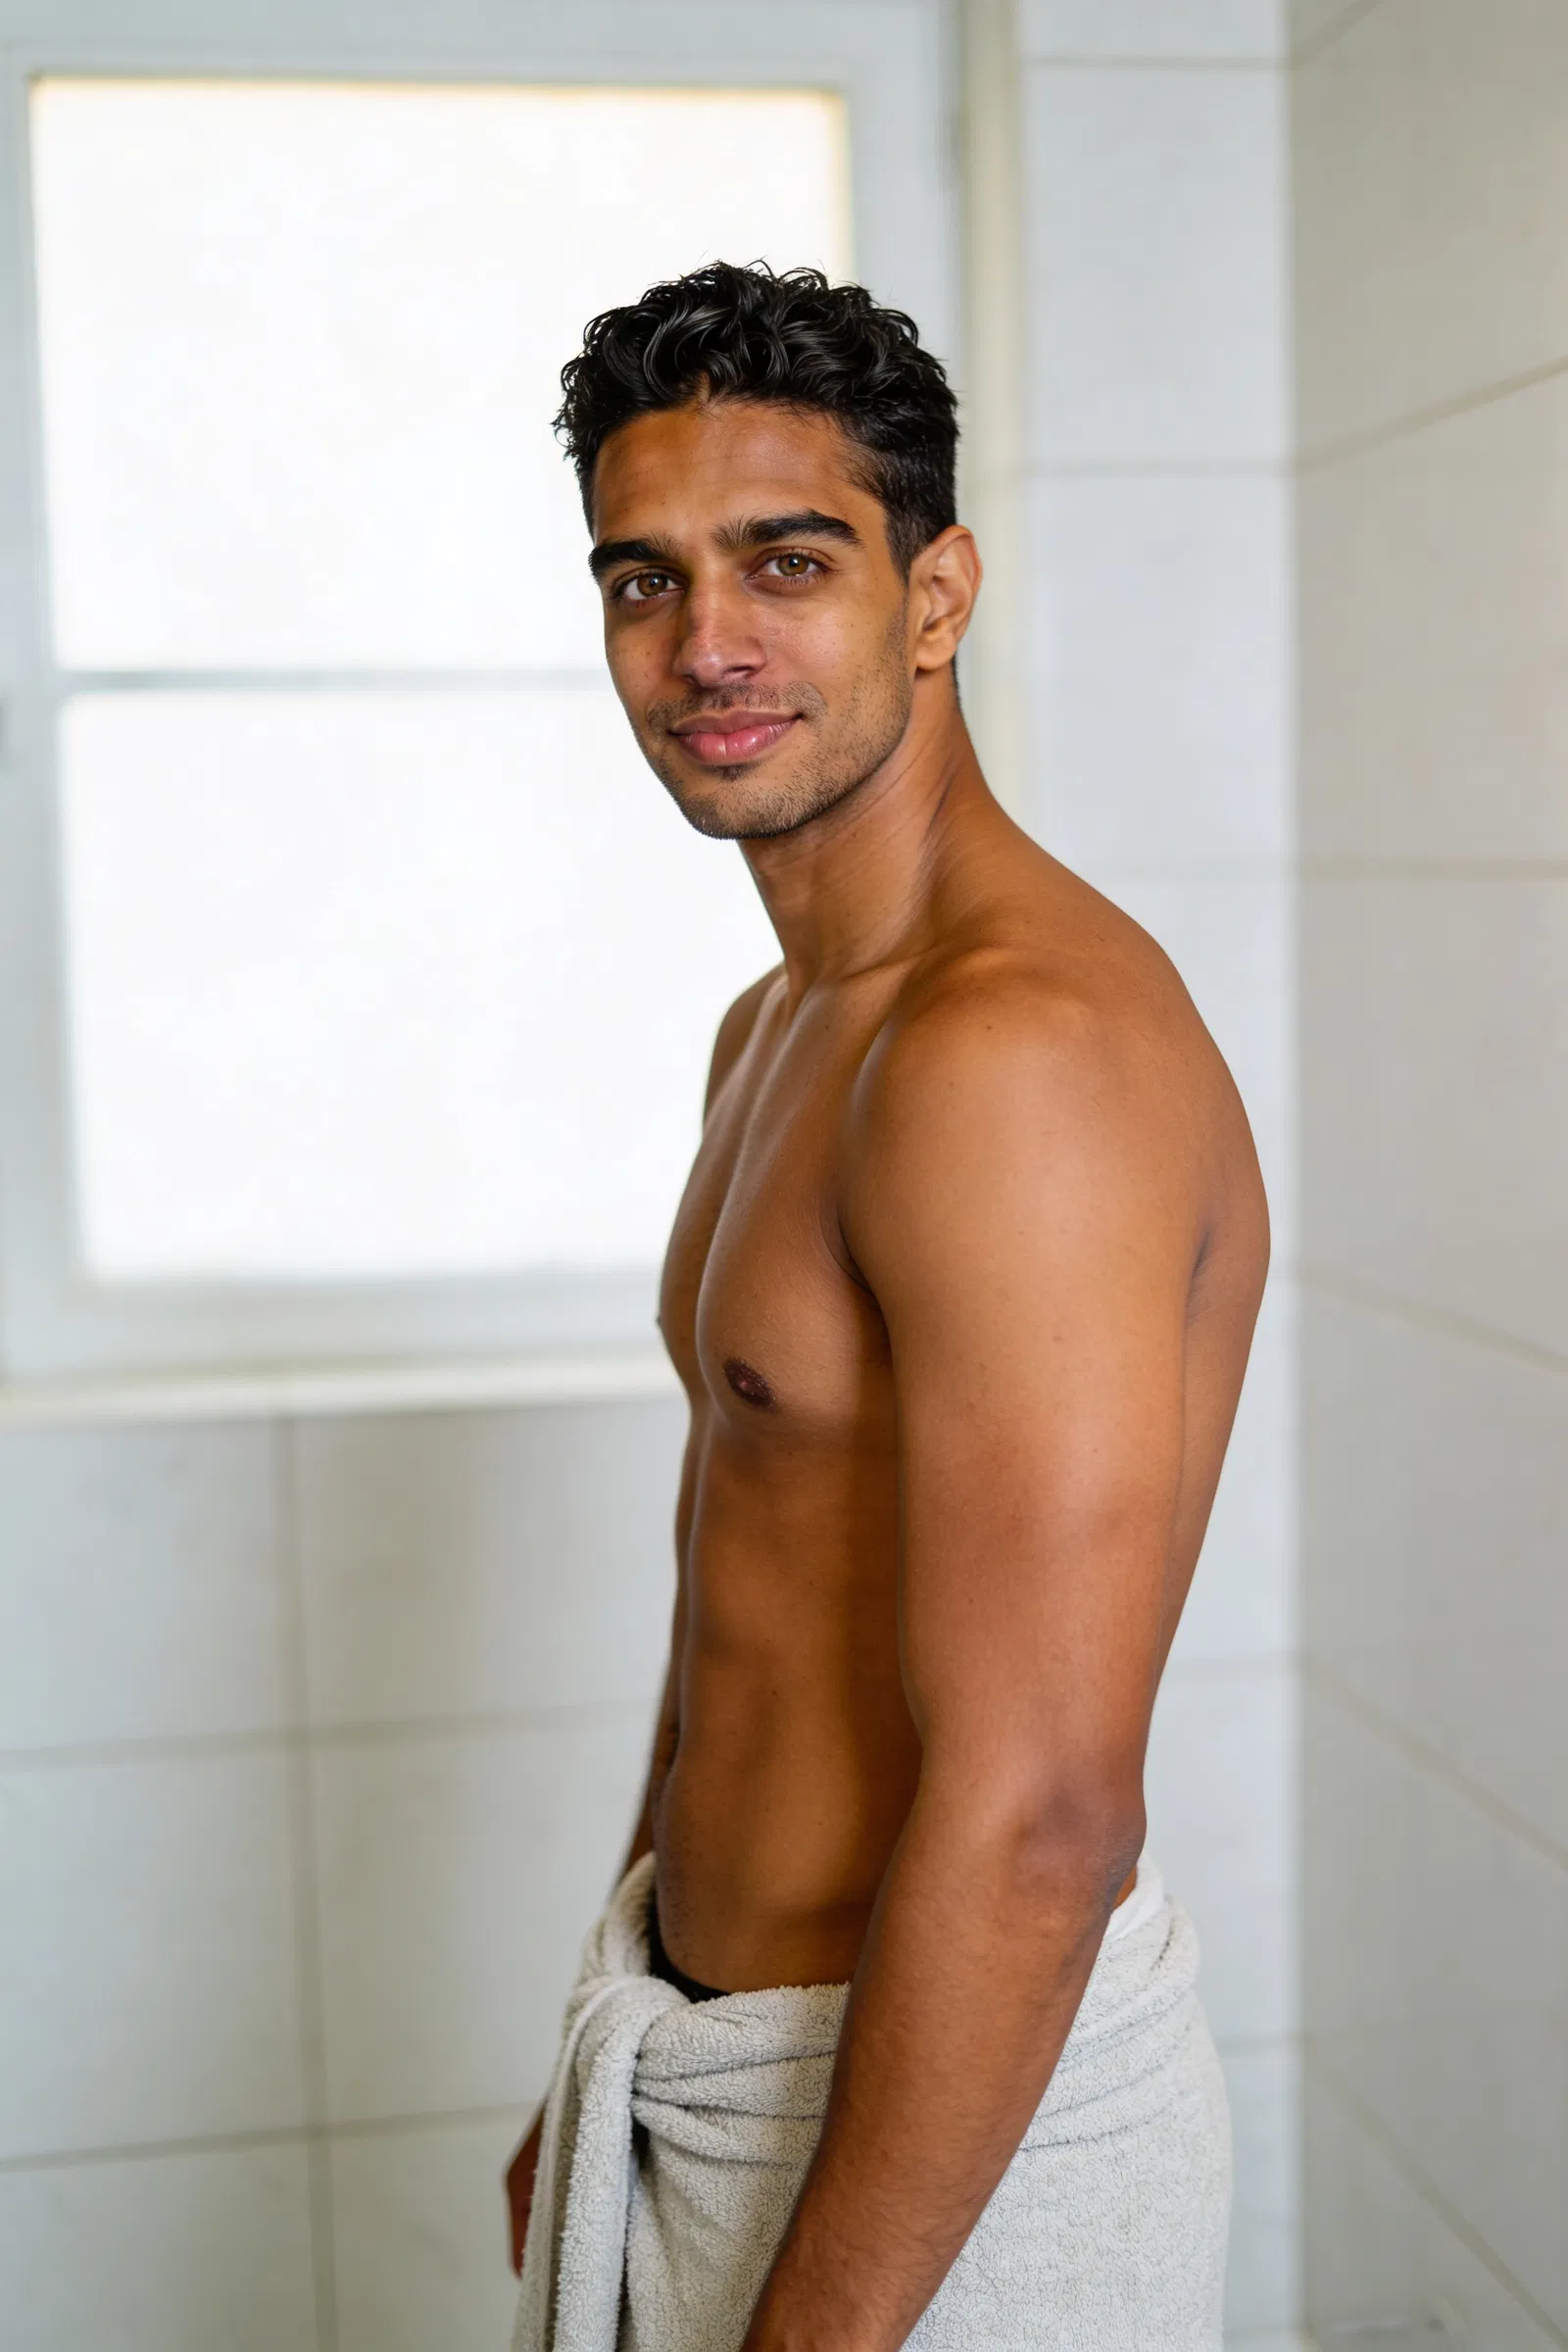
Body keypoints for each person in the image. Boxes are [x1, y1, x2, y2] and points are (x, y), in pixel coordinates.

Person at [504, 262, 1267, 2352]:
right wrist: (617, 2041)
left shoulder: (1005, 1059)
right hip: (717, 2079)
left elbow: (1041, 1816)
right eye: (641, 580)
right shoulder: (779, 1024)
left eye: (786, 562)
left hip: (956, 2162)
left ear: (934, 598)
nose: (705, 644)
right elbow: (740, 1573)